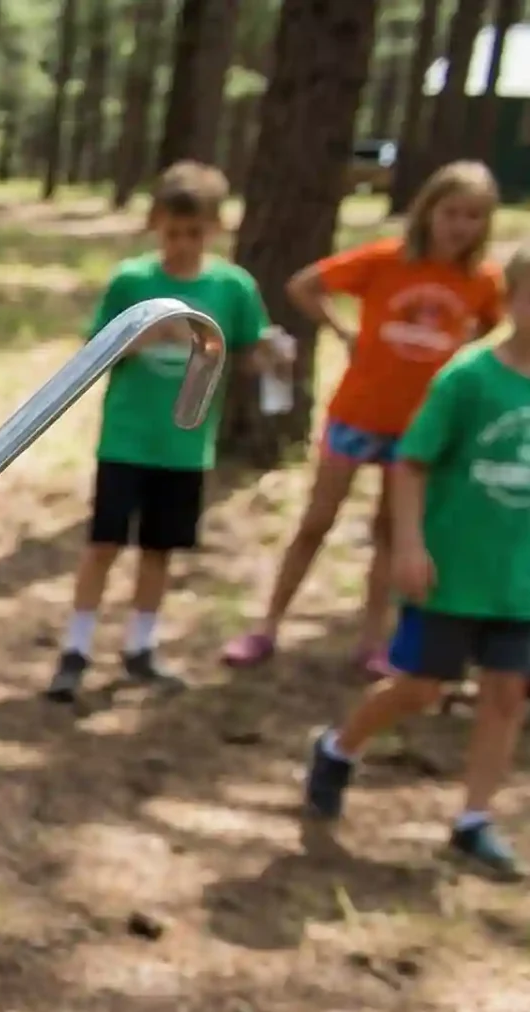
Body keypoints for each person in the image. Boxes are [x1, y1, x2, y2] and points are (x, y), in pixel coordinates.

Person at [304, 243, 530, 879]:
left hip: (519, 580)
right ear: (511, 298)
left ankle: (474, 819)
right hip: (453, 570)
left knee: (507, 695)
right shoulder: (468, 378)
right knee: (422, 688)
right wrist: (409, 544)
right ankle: (338, 747)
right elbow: (411, 462)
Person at [224, 161, 503, 674]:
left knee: (390, 535)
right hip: (357, 414)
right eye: (451, 211)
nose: (459, 225)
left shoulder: (482, 281)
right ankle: (266, 626)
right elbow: (305, 285)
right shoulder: (386, 260)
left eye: (473, 216)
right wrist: (344, 331)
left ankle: (373, 642)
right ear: (428, 211)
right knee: (316, 521)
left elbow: (499, 328)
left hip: (420, 429)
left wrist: (468, 354)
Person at [47, 162, 275, 703]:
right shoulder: (134, 282)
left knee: (158, 549)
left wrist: (274, 354)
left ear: (215, 229)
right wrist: (146, 336)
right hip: (127, 438)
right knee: (103, 543)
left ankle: (140, 647)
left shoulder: (232, 286)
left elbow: (247, 350)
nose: (182, 244)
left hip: (186, 445)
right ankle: (76, 648)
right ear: (156, 226)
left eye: (194, 233)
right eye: (172, 233)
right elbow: (94, 352)